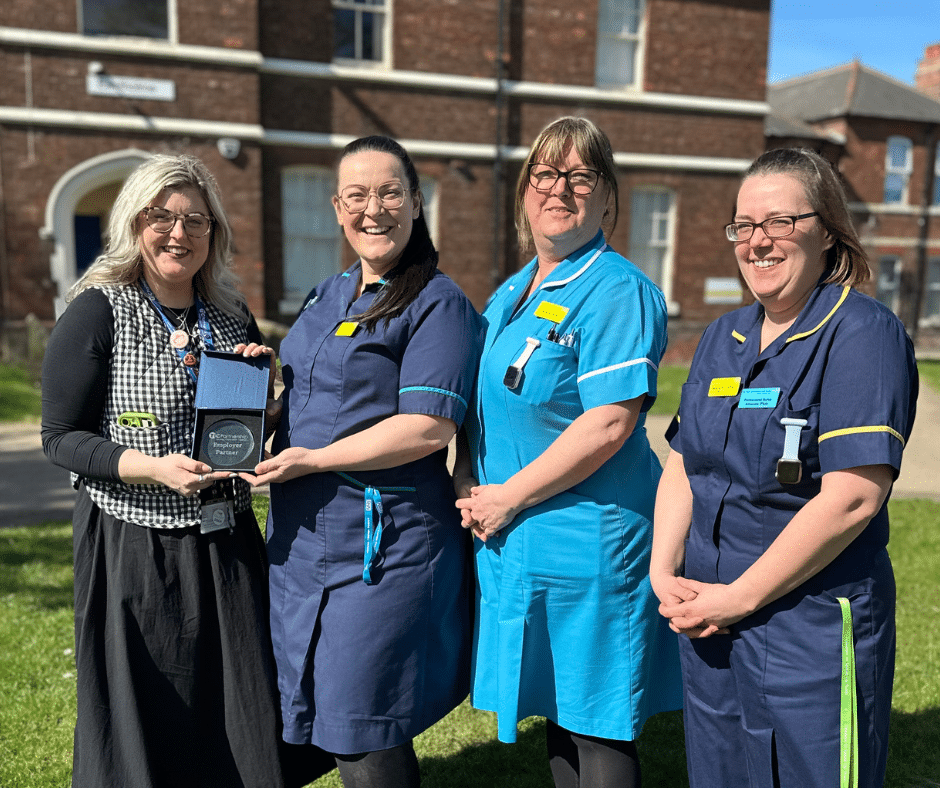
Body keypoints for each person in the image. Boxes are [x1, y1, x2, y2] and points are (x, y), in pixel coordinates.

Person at [651, 147, 918, 788]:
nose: (758, 242)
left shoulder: (862, 334)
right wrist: (664, 568)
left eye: (781, 221)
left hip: (809, 629)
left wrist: (741, 596)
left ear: (826, 229)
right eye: (744, 226)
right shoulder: (724, 337)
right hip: (709, 618)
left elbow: (854, 495)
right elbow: (685, 463)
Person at [240, 135, 482, 788]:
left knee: (362, 726)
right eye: (356, 195)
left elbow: (428, 427)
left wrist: (313, 459)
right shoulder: (327, 295)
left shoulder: (438, 302)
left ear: (416, 202)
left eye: (389, 192)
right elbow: (304, 403)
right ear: (336, 207)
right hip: (300, 541)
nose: (372, 209)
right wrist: (255, 410)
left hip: (383, 544)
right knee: (314, 713)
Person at [41, 154, 286, 787]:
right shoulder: (100, 310)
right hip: (132, 540)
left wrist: (265, 404)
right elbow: (61, 437)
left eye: (195, 221)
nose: (178, 233)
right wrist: (147, 467)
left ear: (215, 234)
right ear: (134, 222)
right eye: (161, 217)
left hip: (224, 539)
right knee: (147, 708)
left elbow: (249, 440)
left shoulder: (232, 318)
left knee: (233, 707)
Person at [454, 116, 682, 788]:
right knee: (559, 709)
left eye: (580, 176)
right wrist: (468, 476)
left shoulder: (618, 290)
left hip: (589, 540)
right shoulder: (511, 291)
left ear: (607, 193)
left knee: (598, 724)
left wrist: (505, 497)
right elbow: (483, 401)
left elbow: (611, 423)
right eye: (546, 175)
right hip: (519, 535)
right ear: (525, 190)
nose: (561, 189)